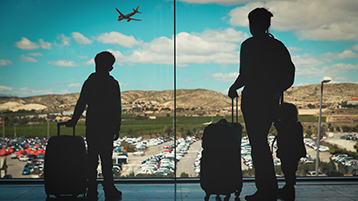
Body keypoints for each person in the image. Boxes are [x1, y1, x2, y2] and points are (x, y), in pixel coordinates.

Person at [228, 7, 295, 201]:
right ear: (268, 24)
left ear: (251, 25)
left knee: (258, 145)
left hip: (253, 100)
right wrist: (276, 89)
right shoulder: (278, 46)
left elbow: (245, 73)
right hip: (273, 100)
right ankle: (283, 186)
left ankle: (266, 190)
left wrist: (234, 88)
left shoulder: (248, 45)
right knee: (282, 142)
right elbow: (290, 74)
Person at [64, 51, 122, 200]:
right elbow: (117, 108)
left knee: (92, 158)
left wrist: (74, 120)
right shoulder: (113, 83)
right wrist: (117, 126)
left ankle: (91, 189)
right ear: (110, 67)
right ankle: (109, 188)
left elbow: (81, 103)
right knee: (106, 159)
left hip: (93, 124)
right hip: (107, 125)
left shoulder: (90, 82)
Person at [274, 102, 306, 201]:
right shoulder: (296, 125)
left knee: (287, 171)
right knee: (290, 171)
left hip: (288, 152)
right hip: (294, 152)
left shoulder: (286, 126)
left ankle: (288, 189)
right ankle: (288, 188)